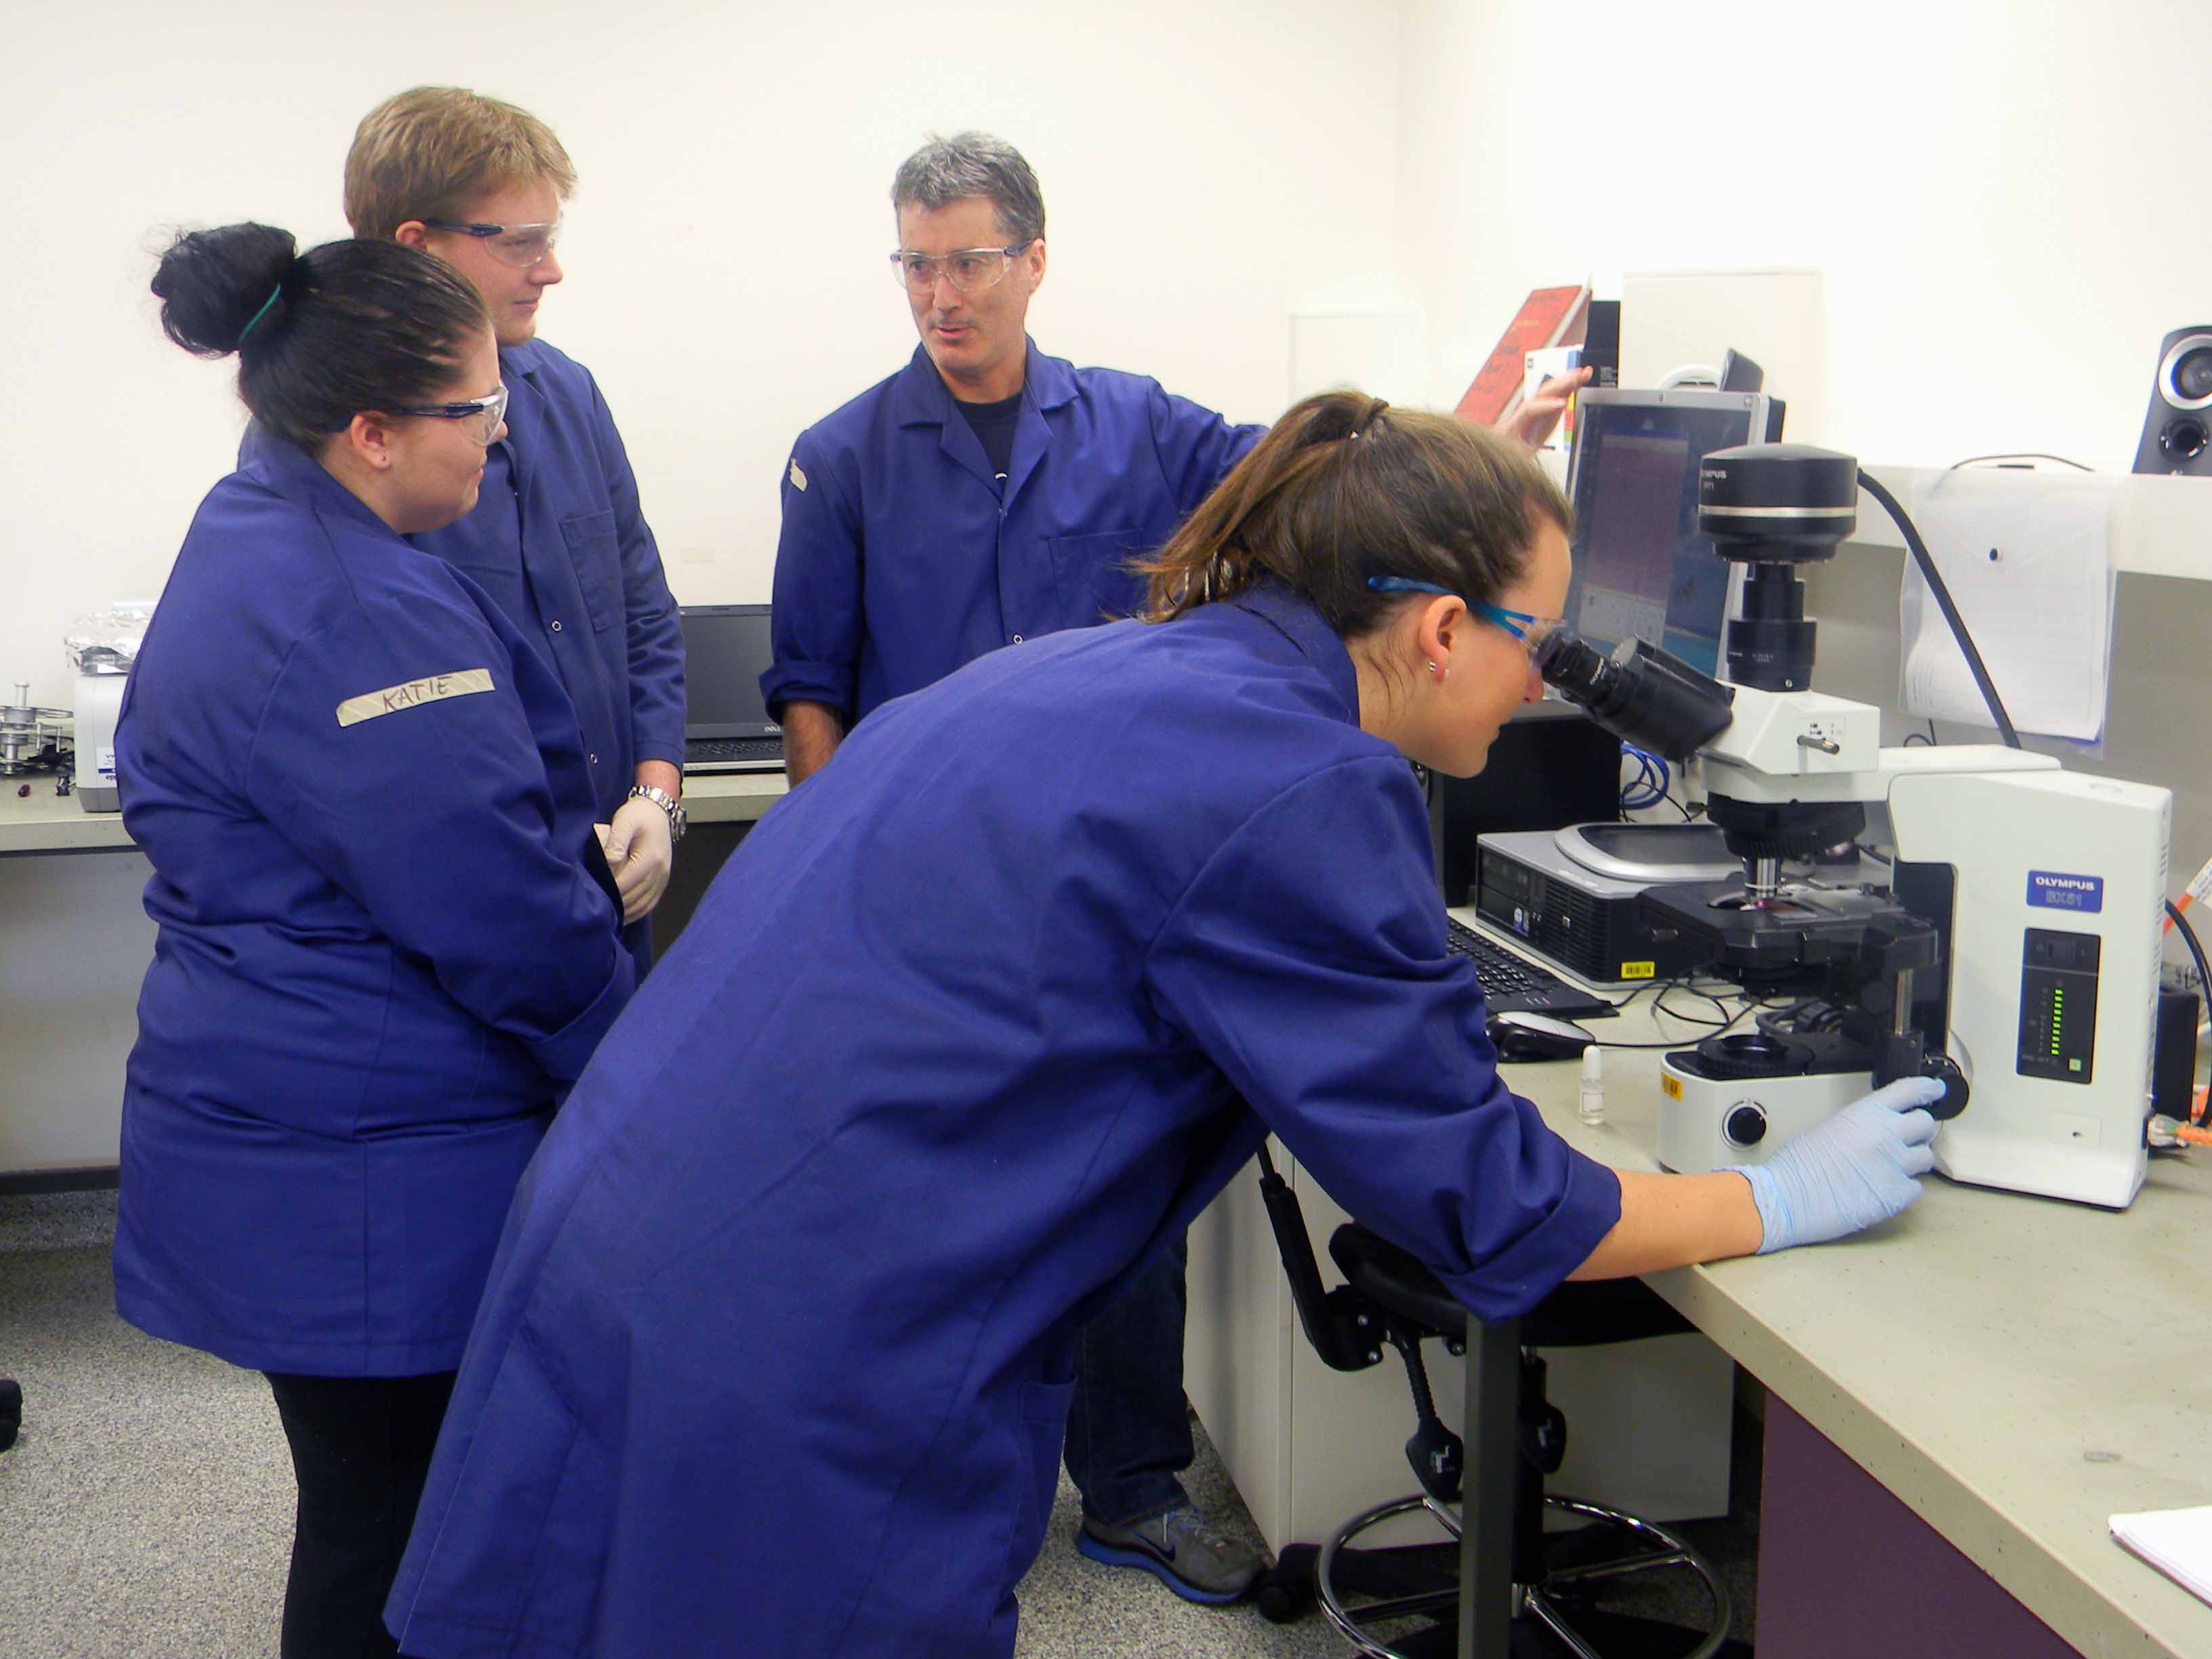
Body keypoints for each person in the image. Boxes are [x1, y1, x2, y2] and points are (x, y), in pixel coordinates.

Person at [387, 391, 1943, 1658]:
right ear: (1438, 629)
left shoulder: (1101, 670)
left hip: (623, 1251)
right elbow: (1491, 1213)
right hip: (808, 1353)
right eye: (1539, 645)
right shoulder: (1301, 784)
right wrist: (1776, 1195)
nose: (1543, 690)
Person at [762, 129, 1275, 1600]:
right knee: (926, 1200)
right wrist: (826, 874)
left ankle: (1131, 1483)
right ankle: (920, 1490)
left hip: (1108, 883)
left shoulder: (1143, 429)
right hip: (923, 893)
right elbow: (814, 685)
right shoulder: (842, 454)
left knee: (1126, 1183)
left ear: (1034, 259)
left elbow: (1293, 480)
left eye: (968, 261)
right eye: (917, 266)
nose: (941, 295)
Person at [118, 223, 638, 1658]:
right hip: (371, 1157)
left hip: (304, 1112)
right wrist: (639, 1058)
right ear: (370, 431)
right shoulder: (359, 616)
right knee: (395, 1530)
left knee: (370, 1505)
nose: (498, 433)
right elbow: (500, 917)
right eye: (474, 408)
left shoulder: (269, 519)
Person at [251, 86, 687, 962]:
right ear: (417, 247)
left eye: (551, 239)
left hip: (610, 899)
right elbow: (369, 743)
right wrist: (539, 862)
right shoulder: (332, 443)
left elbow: (641, 616)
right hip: (464, 933)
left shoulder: (567, 395)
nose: (551, 269)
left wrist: (657, 799)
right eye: (522, 243)